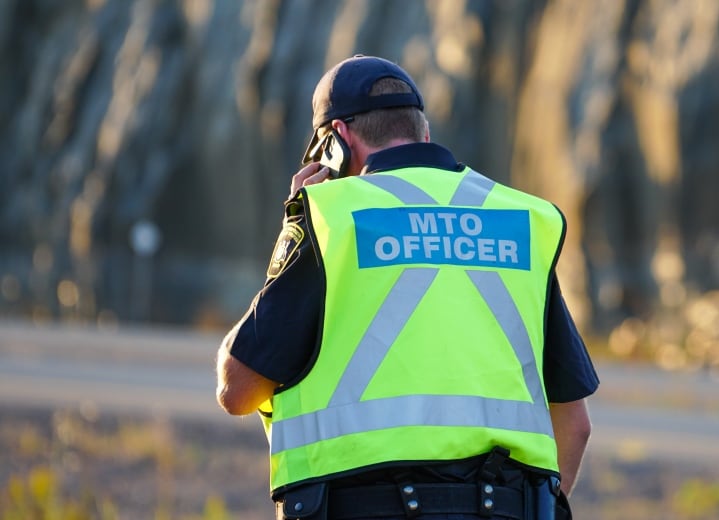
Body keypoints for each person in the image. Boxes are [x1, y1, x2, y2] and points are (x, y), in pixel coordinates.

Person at [216, 55, 599, 520]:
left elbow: (236, 389)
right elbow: (574, 425)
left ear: (335, 141)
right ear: (425, 132)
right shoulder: (522, 219)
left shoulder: (331, 219)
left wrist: (297, 226)